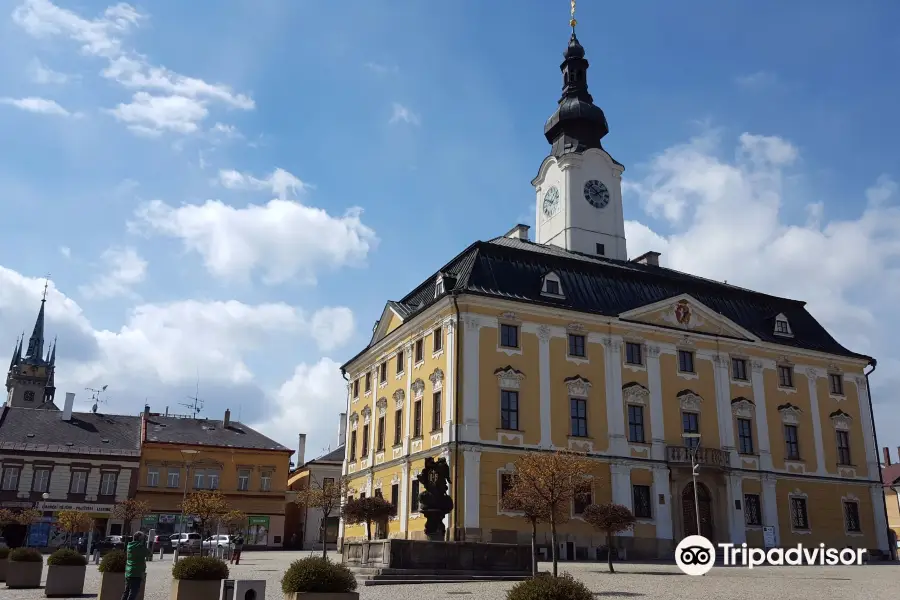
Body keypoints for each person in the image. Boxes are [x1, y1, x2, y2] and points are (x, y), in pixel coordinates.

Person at [122, 531, 150, 600]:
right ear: (140, 539)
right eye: (143, 538)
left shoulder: (130, 545)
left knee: (126, 592)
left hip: (128, 571)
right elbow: (149, 554)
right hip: (136, 572)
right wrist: (144, 544)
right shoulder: (140, 547)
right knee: (133, 593)